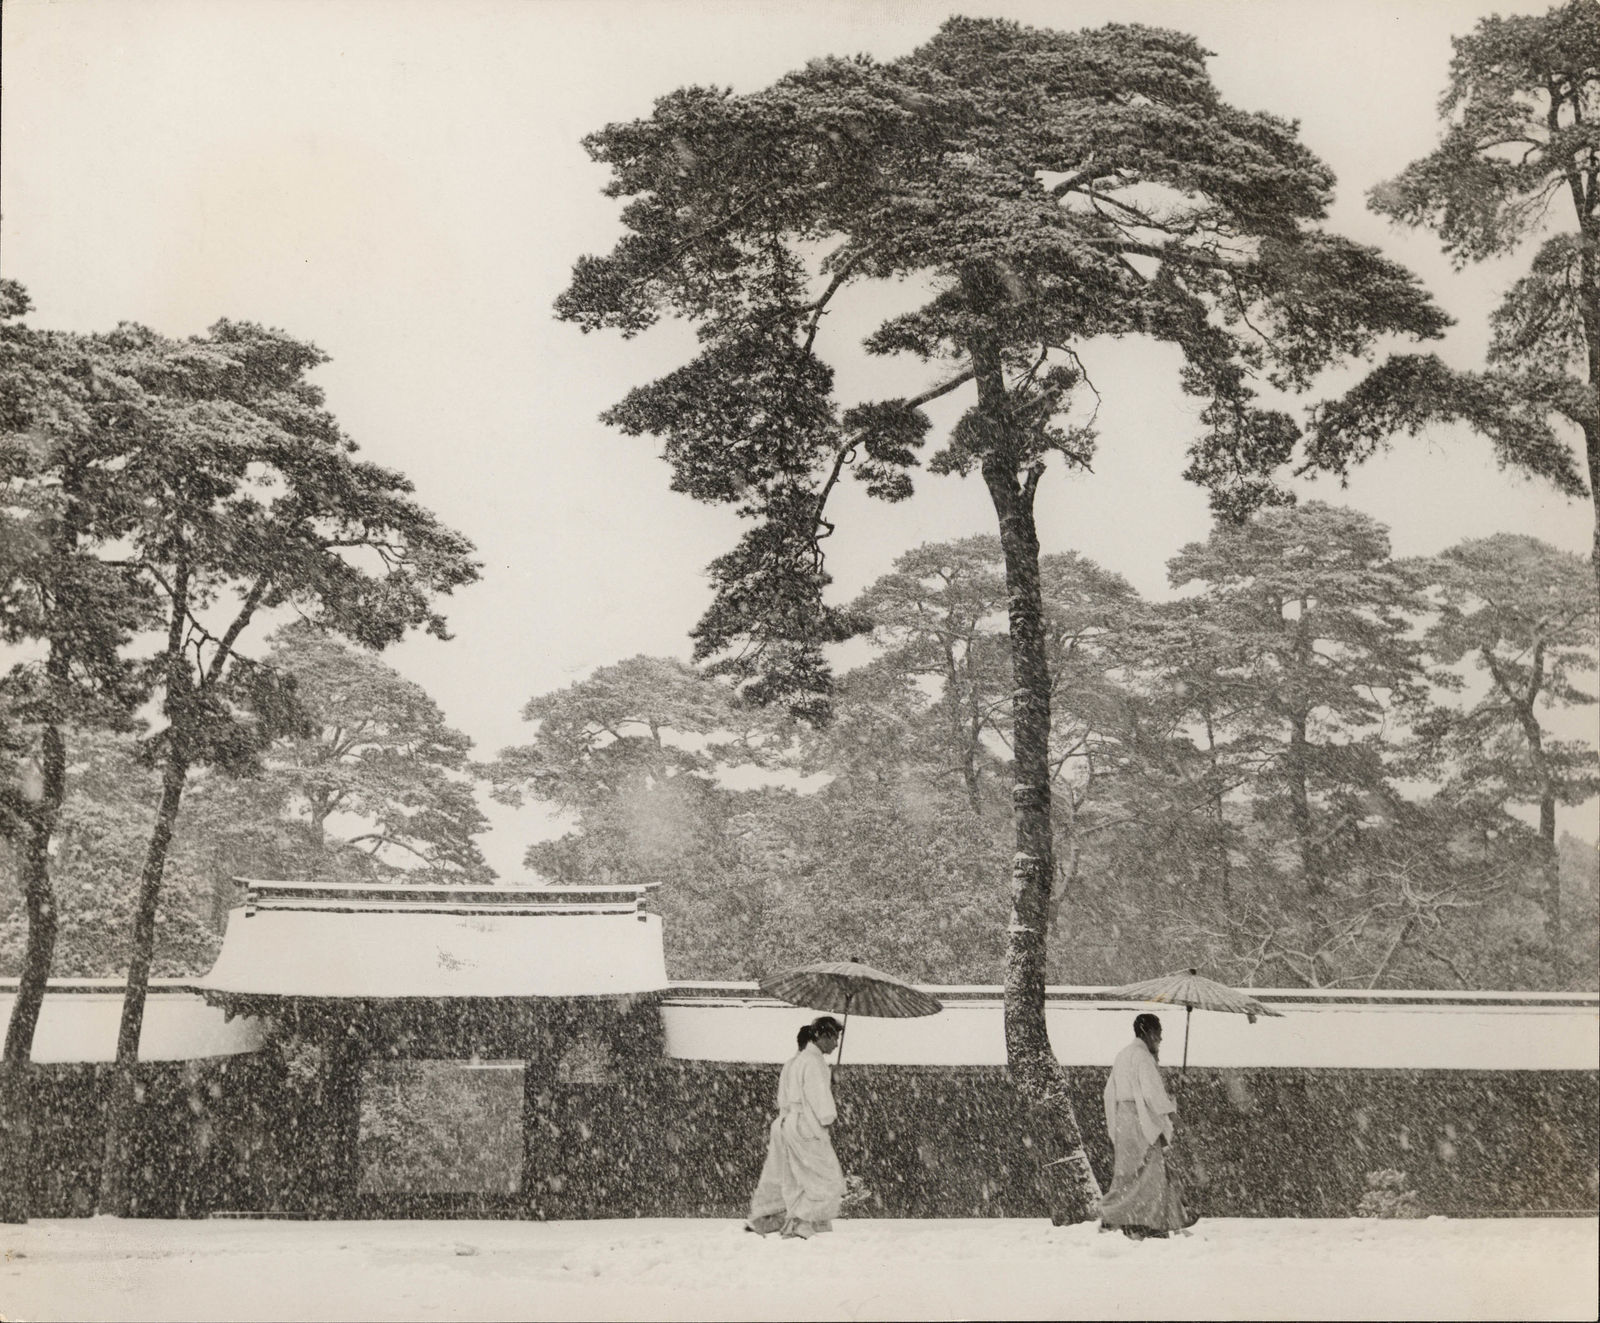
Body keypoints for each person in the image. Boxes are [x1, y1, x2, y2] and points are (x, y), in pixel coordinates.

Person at [745, 1015, 847, 1240]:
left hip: (788, 1121)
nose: (836, 1043)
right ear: (822, 1036)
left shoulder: (796, 1062)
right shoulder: (813, 1062)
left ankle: (770, 1218)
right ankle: (802, 1220)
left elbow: (787, 1096)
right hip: (805, 1125)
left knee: (790, 1176)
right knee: (827, 1179)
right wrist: (829, 1109)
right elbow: (822, 1104)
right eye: (834, 1037)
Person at [1098, 1012, 1198, 1239]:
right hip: (1139, 1120)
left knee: (1127, 1174)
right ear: (1150, 1033)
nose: (1160, 1040)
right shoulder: (1143, 1058)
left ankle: (1125, 1216)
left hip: (1123, 1118)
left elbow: (1109, 1091)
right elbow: (1152, 1093)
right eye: (1159, 1035)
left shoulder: (1123, 1055)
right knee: (1150, 1173)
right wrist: (1172, 1114)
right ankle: (1142, 1219)